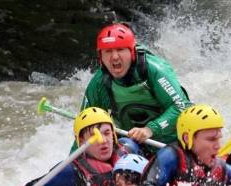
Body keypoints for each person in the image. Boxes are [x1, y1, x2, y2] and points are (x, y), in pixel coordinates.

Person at [79, 22, 191, 153]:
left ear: (132, 52)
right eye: (108, 51)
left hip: (169, 141)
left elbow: (182, 106)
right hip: (129, 144)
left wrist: (150, 130)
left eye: (120, 49)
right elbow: (84, 127)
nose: (114, 57)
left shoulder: (154, 70)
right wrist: (74, 165)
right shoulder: (99, 83)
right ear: (101, 57)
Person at [16, 107, 140, 186]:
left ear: (113, 134)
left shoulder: (129, 149)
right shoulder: (71, 171)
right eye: (94, 136)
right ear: (81, 142)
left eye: (107, 133)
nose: (103, 141)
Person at [136, 104, 231, 186]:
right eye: (211, 139)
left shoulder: (223, 169)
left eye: (219, 138)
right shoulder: (170, 156)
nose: (218, 146)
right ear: (187, 138)